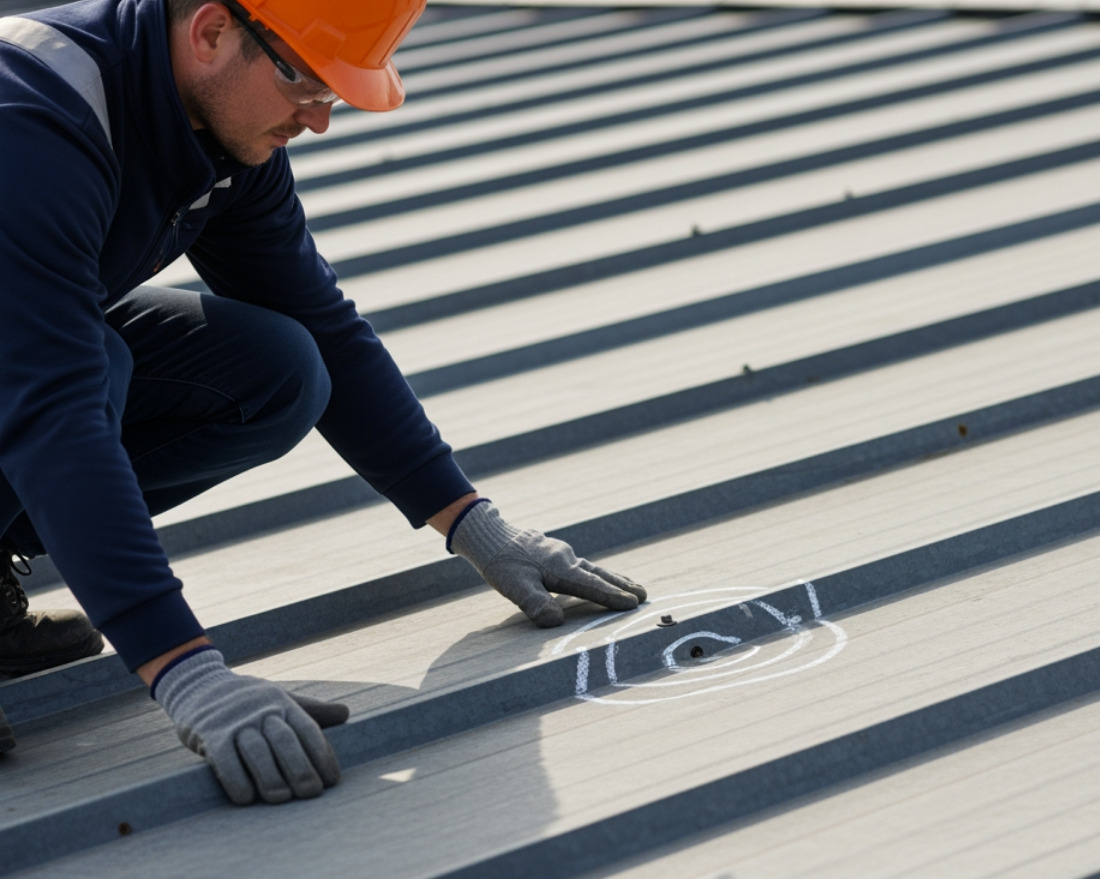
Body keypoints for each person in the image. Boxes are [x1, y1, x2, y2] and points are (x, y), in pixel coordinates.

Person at [0, 0, 646, 802]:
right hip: (37, 377)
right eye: (305, 84)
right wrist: (185, 671)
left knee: (278, 367)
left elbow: (322, 325)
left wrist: (469, 519)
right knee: (84, 367)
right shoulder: (30, 121)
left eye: (334, 95)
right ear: (210, 32)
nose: (318, 122)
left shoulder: (212, 128)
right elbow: (53, 408)